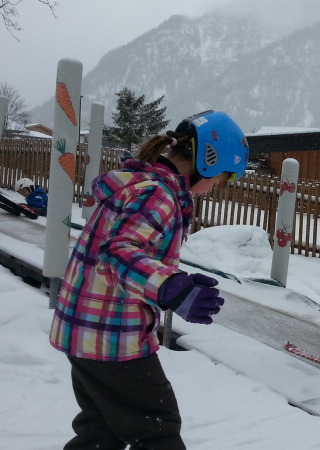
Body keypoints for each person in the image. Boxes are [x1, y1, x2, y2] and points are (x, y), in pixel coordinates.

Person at [49, 110, 249, 449]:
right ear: (208, 162)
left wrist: (174, 278)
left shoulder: (137, 181)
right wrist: (172, 288)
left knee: (103, 431)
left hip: (82, 330)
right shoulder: (159, 193)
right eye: (220, 179)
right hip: (111, 336)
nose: (213, 188)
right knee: (157, 432)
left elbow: (128, 250)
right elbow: (118, 253)